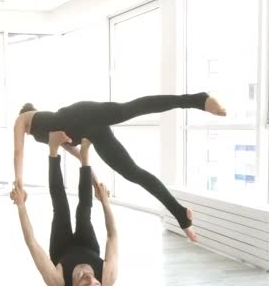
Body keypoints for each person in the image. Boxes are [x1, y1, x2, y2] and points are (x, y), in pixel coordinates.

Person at [13, 93, 226, 242]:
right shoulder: (44, 136)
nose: (26, 133)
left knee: (131, 108)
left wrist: (19, 183)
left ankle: (199, 100)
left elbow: (18, 152)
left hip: (84, 113)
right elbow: (77, 154)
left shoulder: (24, 118)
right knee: (132, 172)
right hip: (92, 134)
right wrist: (95, 183)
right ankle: (180, 213)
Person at [10, 131, 118, 286]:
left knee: (61, 208)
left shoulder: (59, 283)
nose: (89, 277)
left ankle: (53, 149)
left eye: (85, 284)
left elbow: (32, 243)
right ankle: (84, 155)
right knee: (84, 211)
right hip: (88, 246)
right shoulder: (109, 276)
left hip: (61, 248)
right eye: (96, 282)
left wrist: (21, 205)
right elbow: (112, 236)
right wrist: (105, 202)